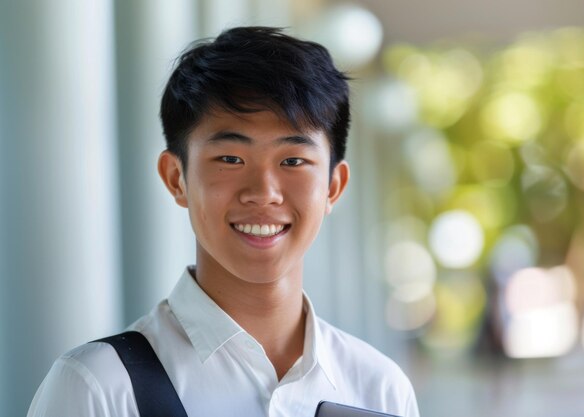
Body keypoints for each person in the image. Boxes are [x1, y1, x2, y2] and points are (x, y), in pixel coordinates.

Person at [27, 26, 420, 417]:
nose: (264, 192)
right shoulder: (99, 388)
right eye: (230, 159)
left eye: (293, 161)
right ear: (176, 178)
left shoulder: (378, 387)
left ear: (334, 186)